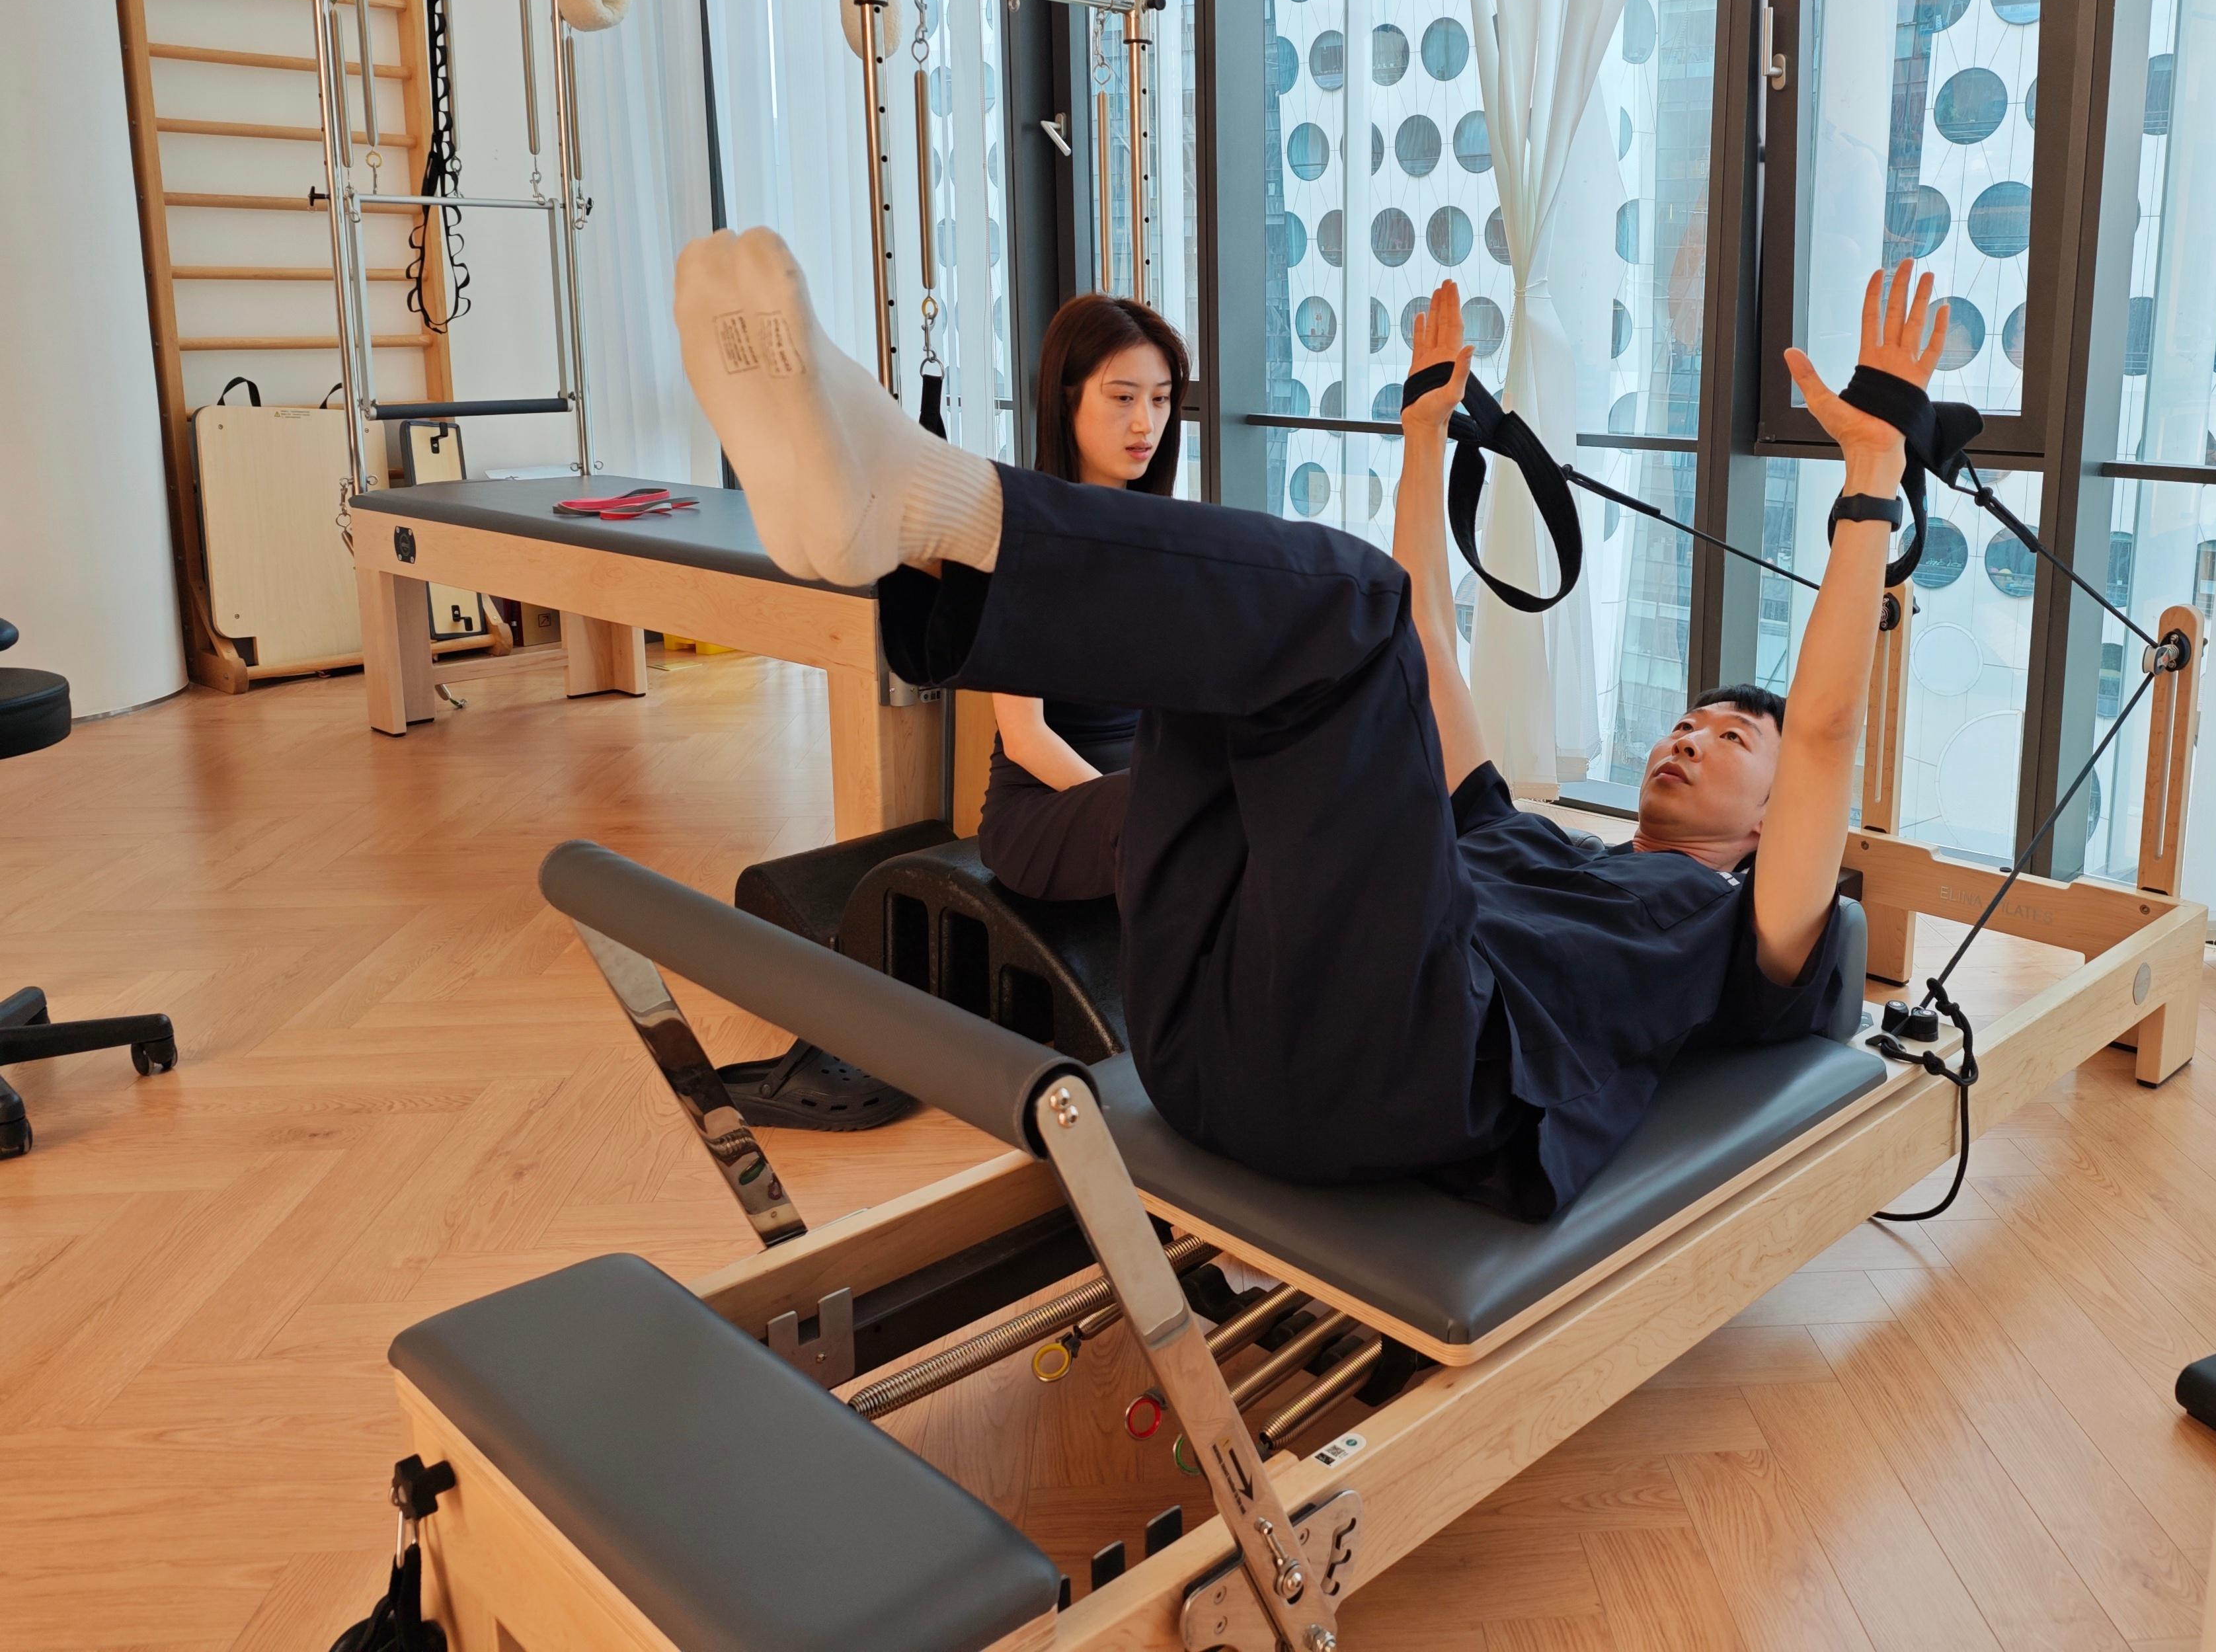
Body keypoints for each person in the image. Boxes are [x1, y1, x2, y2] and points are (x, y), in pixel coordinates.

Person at [672, 228, 1942, 1217]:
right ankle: (909, 530)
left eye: (1732, 740)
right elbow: (1426, 642)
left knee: (1342, 610)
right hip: (1198, 1040)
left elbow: (1825, 728)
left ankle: (929, 508)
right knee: (1236, 661)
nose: (1690, 737)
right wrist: (1424, 432)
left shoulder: (1740, 936)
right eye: (1692, 720)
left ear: (1772, 823)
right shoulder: (1518, 835)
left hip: (1400, 1073)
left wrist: (1874, 475)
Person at [978, 295, 1188, 902]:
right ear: (1065, 398)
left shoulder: (1174, 539)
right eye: (1123, 398)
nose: (1146, 423)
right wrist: (1147, 814)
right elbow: (1025, 738)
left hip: (1142, 795)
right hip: (1045, 808)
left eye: (1160, 399)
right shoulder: (1019, 537)